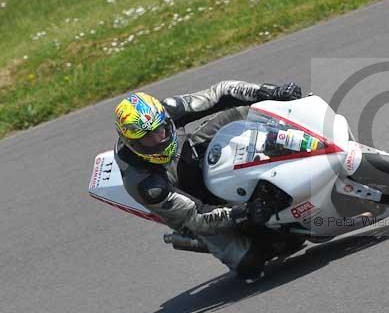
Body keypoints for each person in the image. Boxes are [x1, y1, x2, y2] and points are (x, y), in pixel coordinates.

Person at [113, 80, 302, 281]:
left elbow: (221, 93)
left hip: (187, 150)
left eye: (161, 130)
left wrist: (267, 91)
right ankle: (206, 240)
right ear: (133, 144)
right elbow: (196, 217)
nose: (159, 140)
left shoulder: (167, 110)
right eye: (148, 139)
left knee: (246, 112)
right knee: (250, 264)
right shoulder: (146, 185)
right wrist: (245, 212)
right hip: (188, 208)